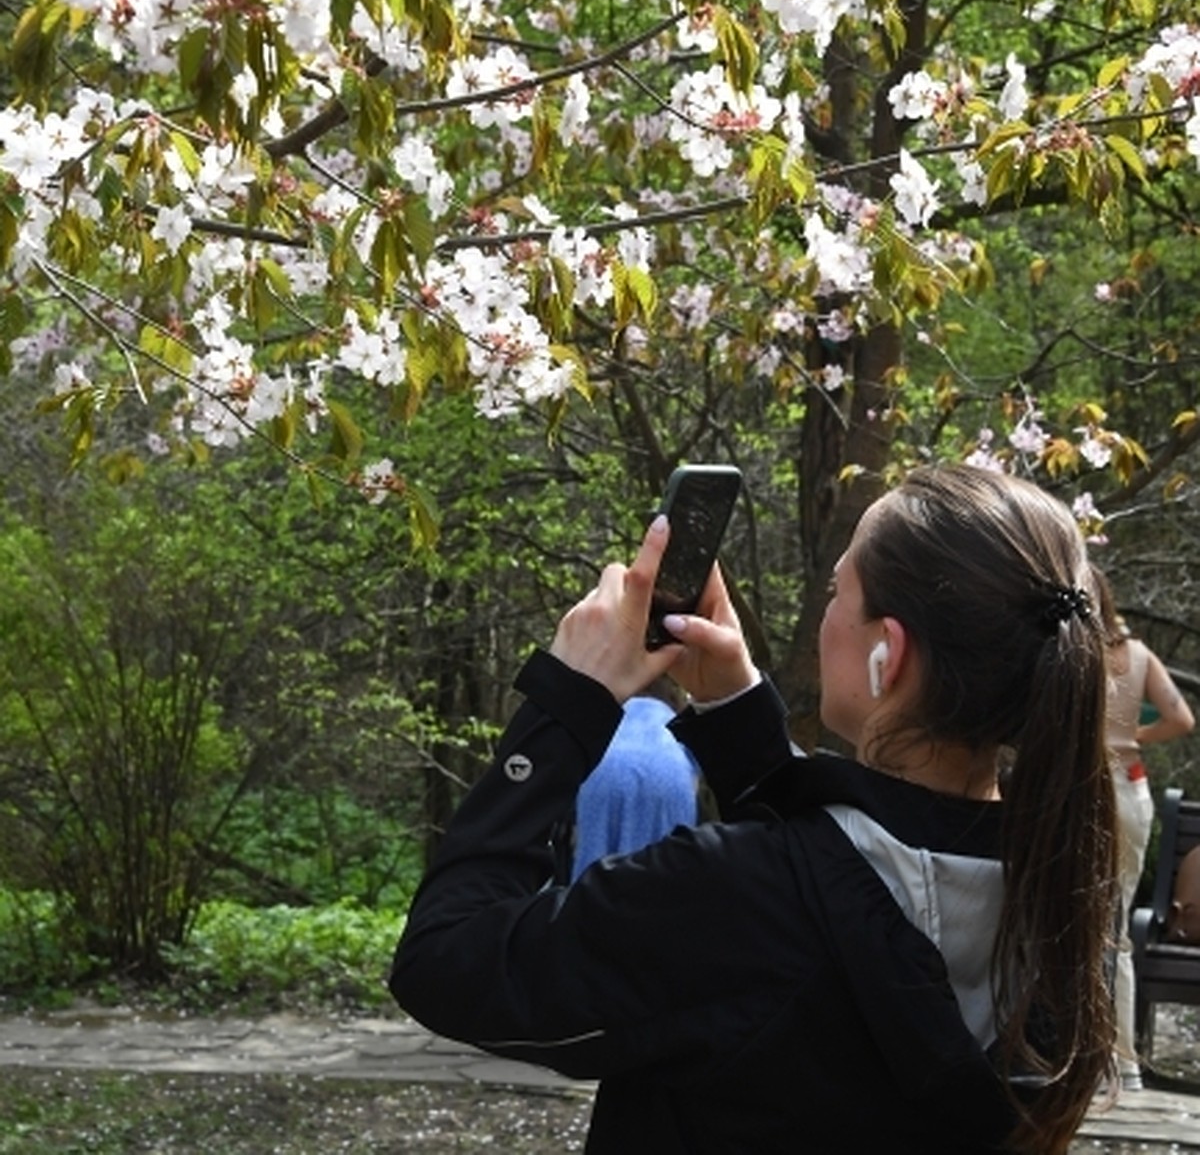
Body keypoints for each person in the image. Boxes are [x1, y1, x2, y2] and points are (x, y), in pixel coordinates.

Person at [390, 464, 1118, 1155]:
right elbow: (853, 900)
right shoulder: (1061, 894)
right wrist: (735, 711)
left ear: (885, 656)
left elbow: (447, 959)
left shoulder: (736, 892)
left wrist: (567, 703)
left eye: (838, 593)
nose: (828, 613)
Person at [1091, 567, 1195, 1090]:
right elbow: (1182, 719)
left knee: (1080, 918)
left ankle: (1092, 1058)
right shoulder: (1138, 655)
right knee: (1116, 925)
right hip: (1130, 785)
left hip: (1089, 786)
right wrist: (1133, 733)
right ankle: (1123, 1063)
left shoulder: (1073, 651)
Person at [569, 678, 699, 882]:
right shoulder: (678, 725)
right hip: (671, 773)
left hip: (603, 770)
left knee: (592, 873)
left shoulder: (603, 718)